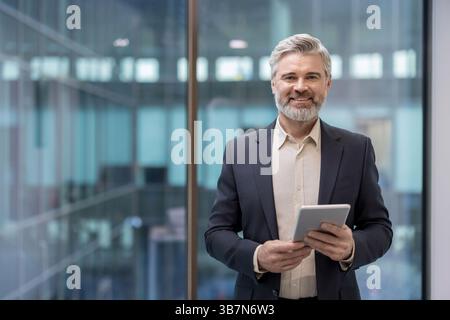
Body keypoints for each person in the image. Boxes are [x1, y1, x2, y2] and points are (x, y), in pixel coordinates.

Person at [204, 34, 393, 300]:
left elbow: (380, 228)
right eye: (290, 77)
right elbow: (216, 234)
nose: (300, 87)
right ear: (274, 84)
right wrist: (257, 256)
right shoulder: (242, 150)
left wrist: (352, 247)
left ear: (327, 84)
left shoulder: (356, 150)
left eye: (312, 77)